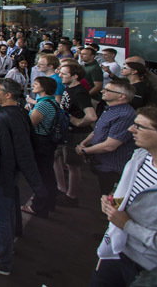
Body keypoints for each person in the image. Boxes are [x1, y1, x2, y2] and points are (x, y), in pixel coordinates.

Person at [91, 107, 157, 286]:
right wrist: (112, 203)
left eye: (139, 126)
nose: (131, 129)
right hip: (116, 250)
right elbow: (126, 194)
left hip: (153, 269)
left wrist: (127, 225)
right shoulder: (139, 158)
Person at [0, 79, 47, 275]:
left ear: (8, 95)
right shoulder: (22, 113)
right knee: (10, 205)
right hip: (10, 170)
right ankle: (11, 235)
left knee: (0, 217)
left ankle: (1, 260)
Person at [75, 79, 137, 196]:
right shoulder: (110, 109)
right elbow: (98, 130)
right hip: (101, 162)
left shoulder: (125, 115)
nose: (103, 91)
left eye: (108, 90)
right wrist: (85, 142)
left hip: (112, 167)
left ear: (121, 96)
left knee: (108, 198)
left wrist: (84, 150)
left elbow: (110, 146)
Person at [57, 63, 98, 207]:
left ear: (75, 76)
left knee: (73, 165)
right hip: (69, 132)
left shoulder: (79, 92)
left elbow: (92, 117)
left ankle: (71, 197)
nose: (60, 75)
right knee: (68, 163)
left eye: (64, 74)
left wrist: (76, 121)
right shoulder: (70, 88)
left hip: (76, 134)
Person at [22, 76, 59, 217]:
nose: (33, 85)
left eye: (36, 84)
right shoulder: (50, 102)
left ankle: (39, 206)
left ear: (43, 88)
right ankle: (48, 202)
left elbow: (30, 125)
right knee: (47, 173)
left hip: (41, 141)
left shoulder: (43, 105)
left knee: (41, 175)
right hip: (47, 142)